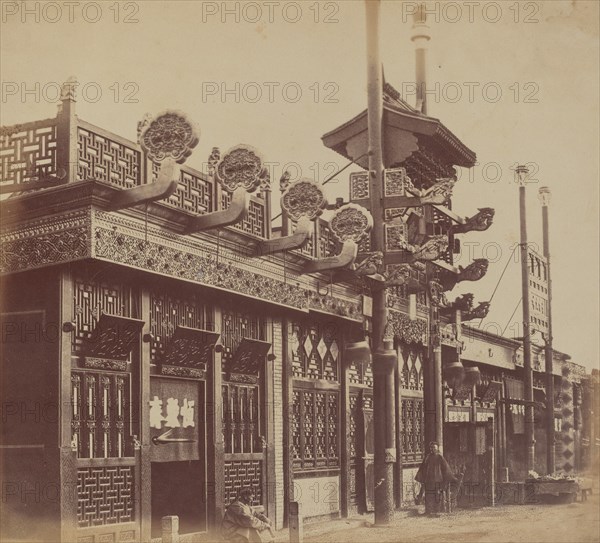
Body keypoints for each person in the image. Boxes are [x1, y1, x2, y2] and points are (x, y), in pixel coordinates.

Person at [415, 441, 459, 516]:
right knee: (428, 495)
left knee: (437, 495)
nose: (432, 449)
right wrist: (421, 478)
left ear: (437, 448)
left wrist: (451, 478)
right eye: (431, 447)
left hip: (438, 479)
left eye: (434, 447)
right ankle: (428, 511)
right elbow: (423, 468)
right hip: (428, 480)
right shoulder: (427, 457)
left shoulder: (440, 457)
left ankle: (437, 511)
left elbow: (446, 468)